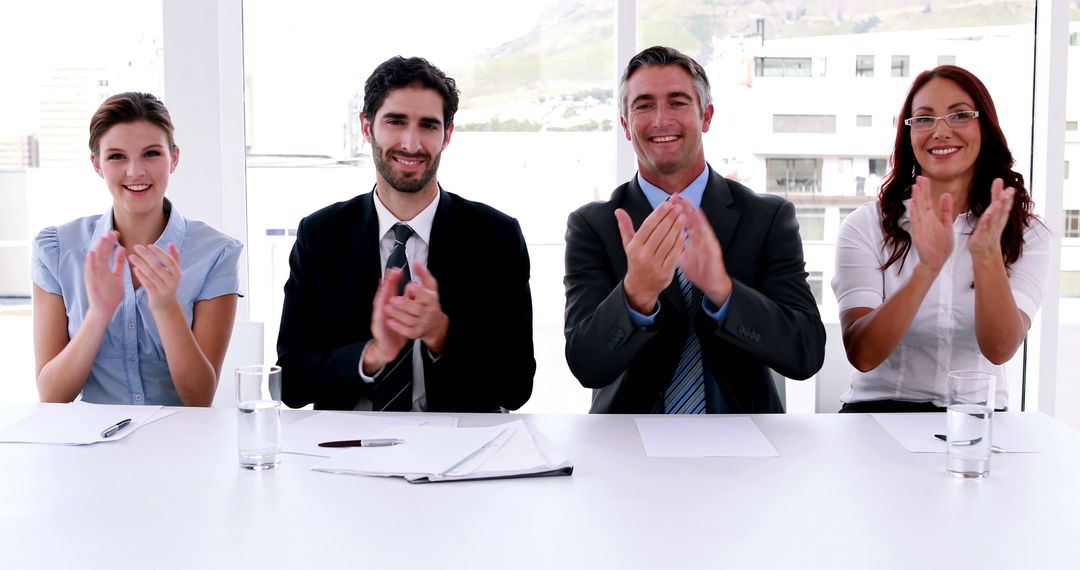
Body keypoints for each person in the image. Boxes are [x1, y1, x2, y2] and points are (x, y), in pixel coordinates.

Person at [564, 46, 825, 414]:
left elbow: (806, 353)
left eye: (677, 102)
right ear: (625, 125)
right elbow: (586, 365)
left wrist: (723, 290)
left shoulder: (767, 217)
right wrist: (635, 294)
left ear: (706, 116)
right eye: (643, 105)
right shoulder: (593, 225)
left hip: (744, 441)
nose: (660, 119)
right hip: (630, 444)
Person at [276, 56, 535, 412]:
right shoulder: (321, 235)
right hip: (346, 448)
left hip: (457, 449)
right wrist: (372, 355)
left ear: (447, 135)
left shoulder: (495, 236)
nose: (411, 144)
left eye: (428, 126)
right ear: (367, 128)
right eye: (396, 122)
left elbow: (516, 386)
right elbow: (291, 383)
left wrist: (442, 336)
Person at [831, 65, 1051, 413]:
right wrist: (926, 269)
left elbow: (1000, 349)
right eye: (924, 119)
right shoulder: (865, 225)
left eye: (960, 115)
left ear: (984, 127)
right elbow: (863, 354)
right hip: (879, 412)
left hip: (979, 417)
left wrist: (986, 256)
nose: (941, 131)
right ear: (909, 134)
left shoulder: (1026, 232)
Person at [32, 92, 243, 406]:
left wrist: (166, 307)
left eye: (151, 154)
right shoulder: (57, 249)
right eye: (116, 156)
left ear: (174, 158)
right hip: (90, 446)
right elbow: (52, 396)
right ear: (97, 164)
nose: (135, 171)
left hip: (181, 445)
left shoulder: (215, 253)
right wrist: (98, 314)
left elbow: (199, 398)